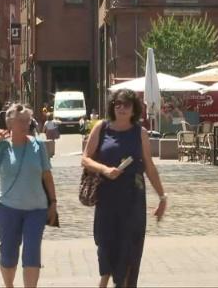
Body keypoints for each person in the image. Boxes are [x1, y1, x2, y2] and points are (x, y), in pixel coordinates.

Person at [82, 89, 167, 288]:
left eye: (126, 105)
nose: (121, 108)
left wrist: (162, 197)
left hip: (133, 198)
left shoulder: (140, 133)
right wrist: (104, 169)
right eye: (117, 104)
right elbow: (85, 159)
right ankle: (106, 278)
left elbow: (149, 166)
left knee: (130, 247)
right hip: (106, 197)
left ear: (133, 109)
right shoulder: (102, 128)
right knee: (105, 243)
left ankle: (123, 283)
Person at [0, 104, 56, 288]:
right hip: (8, 209)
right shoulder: (1, 147)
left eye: (27, 120)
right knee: (8, 253)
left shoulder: (38, 145)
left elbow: (47, 176)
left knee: (32, 253)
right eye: (20, 121)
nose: (25, 124)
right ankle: (9, 285)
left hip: (36, 209)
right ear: (9, 123)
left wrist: (53, 203)